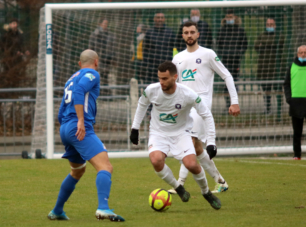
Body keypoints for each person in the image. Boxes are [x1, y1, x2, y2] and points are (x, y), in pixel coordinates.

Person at [130, 61, 221, 210]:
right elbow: (142, 105)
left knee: (191, 165)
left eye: (165, 79)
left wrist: (211, 142)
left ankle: (206, 193)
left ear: (175, 77)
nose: (161, 82)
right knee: (156, 160)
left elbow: (207, 115)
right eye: (159, 78)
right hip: (158, 133)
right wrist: (135, 128)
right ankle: (178, 187)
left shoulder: (188, 94)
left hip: (181, 134)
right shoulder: (152, 90)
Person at [47, 50, 125, 221]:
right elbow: (80, 91)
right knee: (106, 167)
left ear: (79, 63)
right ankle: (103, 208)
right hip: (78, 127)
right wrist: (81, 120)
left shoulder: (71, 79)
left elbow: (61, 109)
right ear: (96, 62)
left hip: (66, 127)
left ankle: (57, 211)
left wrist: (66, 128)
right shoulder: (92, 74)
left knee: (77, 171)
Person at [170, 21, 240, 194]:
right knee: (197, 148)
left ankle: (179, 184)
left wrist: (235, 101)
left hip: (201, 104)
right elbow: (175, 86)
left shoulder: (208, 54)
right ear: (182, 36)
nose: (189, 35)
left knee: (189, 142)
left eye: (192, 32)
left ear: (198, 34)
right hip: (185, 107)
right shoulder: (178, 58)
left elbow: (227, 75)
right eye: (186, 32)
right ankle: (220, 181)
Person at [217, 9, 248, 108]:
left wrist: (239, 53)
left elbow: (244, 44)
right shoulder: (222, 30)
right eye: (228, 17)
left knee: (234, 82)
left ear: (235, 17)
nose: (229, 19)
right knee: (226, 82)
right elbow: (218, 44)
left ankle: (234, 104)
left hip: (236, 60)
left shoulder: (240, 30)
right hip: (225, 61)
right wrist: (223, 53)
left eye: (231, 17)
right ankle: (227, 105)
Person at [254, 18, 285, 113]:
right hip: (264, 67)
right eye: (268, 24)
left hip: (276, 67)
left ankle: (279, 109)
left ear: (275, 25)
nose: (270, 26)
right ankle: (268, 108)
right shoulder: (261, 35)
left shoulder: (280, 35)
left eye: (271, 24)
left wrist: (264, 44)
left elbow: (280, 43)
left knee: (278, 89)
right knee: (266, 90)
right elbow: (256, 46)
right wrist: (271, 45)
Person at [143, 13, 175, 85]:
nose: (160, 19)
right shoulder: (149, 33)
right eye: (158, 17)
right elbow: (145, 50)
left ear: (164, 19)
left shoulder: (170, 32)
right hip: (152, 68)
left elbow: (175, 47)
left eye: (161, 17)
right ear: (154, 19)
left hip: (167, 66)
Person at [89, 18, 116, 96]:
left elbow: (112, 47)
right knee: (98, 75)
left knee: (106, 75)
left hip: (107, 58)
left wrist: (113, 57)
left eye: (107, 24)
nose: (106, 25)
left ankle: (105, 93)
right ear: (100, 24)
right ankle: (97, 93)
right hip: (98, 58)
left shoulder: (110, 34)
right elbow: (91, 47)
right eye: (104, 23)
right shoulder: (95, 34)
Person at [0, 18, 30, 88]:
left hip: (18, 59)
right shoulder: (6, 35)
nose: (15, 25)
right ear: (10, 25)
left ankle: (16, 89)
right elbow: (5, 47)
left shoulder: (19, 35)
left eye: (16, 24)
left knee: (18, 74)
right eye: (13, 24)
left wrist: (25, 51)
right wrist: (14, 52)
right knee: (8, 74)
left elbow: (22, 45)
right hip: (8, 59)